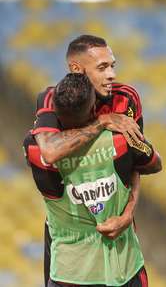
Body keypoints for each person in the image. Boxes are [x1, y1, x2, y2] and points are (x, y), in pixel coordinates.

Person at [30, 34, 148, 285]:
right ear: (76, 69)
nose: (112, 75)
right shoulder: (53, 99)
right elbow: (49, 152)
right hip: (68, 235)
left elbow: (136, 165)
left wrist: (128, 213)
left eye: (112, 65)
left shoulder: (126, 99)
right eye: (102, 67)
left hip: (117, 223)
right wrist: (102, 122)